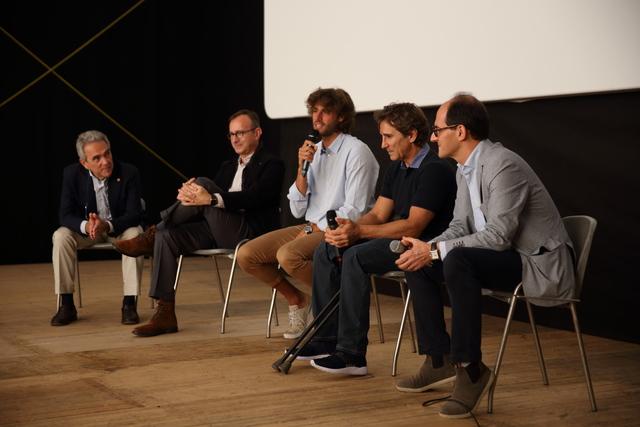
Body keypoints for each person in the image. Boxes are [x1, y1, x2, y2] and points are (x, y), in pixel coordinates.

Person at [394, 94, 576, 419]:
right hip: (506, 257)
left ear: (460, 131)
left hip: (538, 266)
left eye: (437, 130)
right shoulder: (464, 169)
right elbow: (459, 226)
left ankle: (471, 369)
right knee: (420, 262)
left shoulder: (502, 163)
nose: (432, 137)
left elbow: (498, 236)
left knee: (455, 259)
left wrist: (435, 250)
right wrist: (426, 247)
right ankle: (439, 359)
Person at [302, 103, 456, 375]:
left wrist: (358, 233)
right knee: (327, 248)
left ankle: (352, 355)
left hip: (420, 246)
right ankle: (325, 340)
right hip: (396, 238)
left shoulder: (434, 169)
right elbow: (379, 214)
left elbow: (413, 226)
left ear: (410, 135)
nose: (382, 144)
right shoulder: (397, 167)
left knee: (355, 256)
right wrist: (348, 227)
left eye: (388, 136)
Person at [114, 109, 285, 337]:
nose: (234, 139)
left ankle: (152, 232)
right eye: (231, 134)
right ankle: (165, 314)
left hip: (249, 234)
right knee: (168, 237)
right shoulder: (227, 166)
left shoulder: (273, 163)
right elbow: (206, 204)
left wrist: (208, 196)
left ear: (257, 133)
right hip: (217, 229)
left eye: (240, 133)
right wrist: (190, 196)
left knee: (203, 183)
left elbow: (255, 198)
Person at [236, 88, 379, 339]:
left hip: (341, 230)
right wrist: (302, 169)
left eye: (326, 111)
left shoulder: (357, 152)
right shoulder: (313, 151)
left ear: (342, 117)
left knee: (288, 255)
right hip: (311, 227)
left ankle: (336, 302)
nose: (318, 117)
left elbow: (354, 210)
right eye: (314, 111)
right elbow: (297, 207)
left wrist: (315, 228)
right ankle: (299, 300)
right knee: (247, 255)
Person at [51, 130, 144, 326]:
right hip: (89, 233)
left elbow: (135, 214)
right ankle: (66, 304)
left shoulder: (129, 172)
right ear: (85, 163)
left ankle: (129, 304)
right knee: (60, 236)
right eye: (97, 158)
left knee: (136, 233)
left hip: (117, 230)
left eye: (107, 153)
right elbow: (65, 215)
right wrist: (87, 226)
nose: (105, 161)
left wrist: (107, 225)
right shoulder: (71, 174)